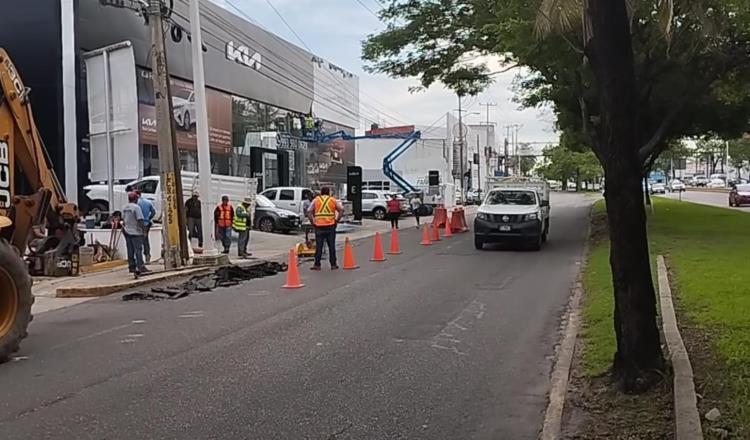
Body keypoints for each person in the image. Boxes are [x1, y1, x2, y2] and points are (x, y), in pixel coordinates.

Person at [308, 187, 344, 270]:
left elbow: (309, 211)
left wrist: (312, 222)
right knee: (331, 246)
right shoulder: (332, 200)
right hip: (330, 226)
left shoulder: (316, 200)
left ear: (321, 192)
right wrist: (337, 220)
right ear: (329, 192)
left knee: (319, 246)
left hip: (319, 227)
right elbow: (341, 210)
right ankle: (333, 264)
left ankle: (317, 265)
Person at [122, 192, 147, 278]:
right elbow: (140, 220)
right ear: (136, 199)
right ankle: (140, 267)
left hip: (127, 231)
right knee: (138, 250)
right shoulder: (136, 208)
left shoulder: (125, 207)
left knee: (130, 250)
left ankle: (131, 266)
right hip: (136, 231)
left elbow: (123, 220)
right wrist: (144, 231)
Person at [134, 190, 156, 263]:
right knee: (145, 241)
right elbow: (153, 212)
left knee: (137, 241)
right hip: (146, 224)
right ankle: (147, 256)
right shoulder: (148, 202)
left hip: (138, 224)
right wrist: (148, 218)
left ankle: (138, 258)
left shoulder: (136, 203)